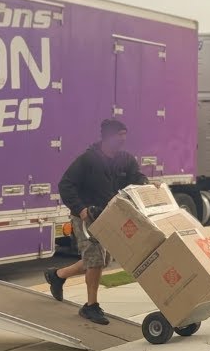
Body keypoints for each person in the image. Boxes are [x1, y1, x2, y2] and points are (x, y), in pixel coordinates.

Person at [47, 118, 148, 325]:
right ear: (108, 137)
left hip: (109, 217)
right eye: (119, 135)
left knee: (102, 260)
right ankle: (90, 306)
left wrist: (148, 184)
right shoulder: (87, 160)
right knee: (95, 259)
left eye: (125, 134)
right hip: (87, 216)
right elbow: (65, 185)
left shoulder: (125, 160)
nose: (123, 139)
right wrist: (81, 209)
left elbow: (136, 178)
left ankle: (58, 275)